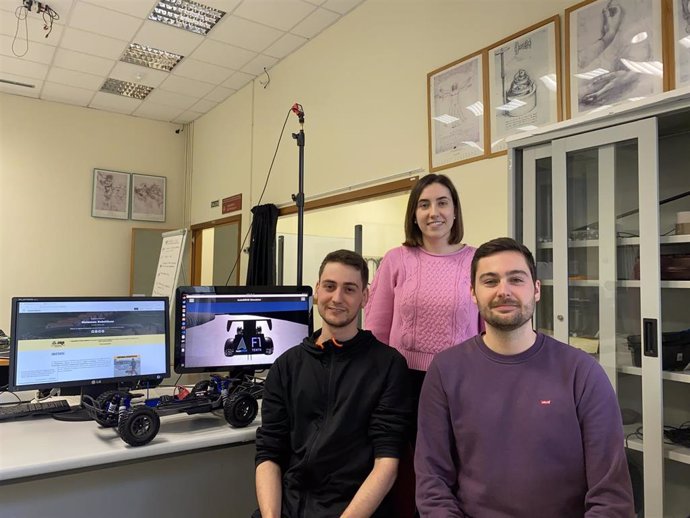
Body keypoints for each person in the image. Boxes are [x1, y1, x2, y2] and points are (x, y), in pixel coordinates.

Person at [415, 237, 634, 517]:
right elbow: (432, 482)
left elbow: (612, 498)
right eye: (490, 281)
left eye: (516, 279)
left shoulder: (582, 373)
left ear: (537, 290)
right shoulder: (445, 370)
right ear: (473, 293)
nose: (503, 291)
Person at [254, 249, 412, 518]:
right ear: (317, 290)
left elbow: (387, 463)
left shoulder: (388, 366)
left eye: (349, 289)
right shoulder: (286, 366)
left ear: (365, 297)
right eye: (329, 286)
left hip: (355, 509)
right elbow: (269, 453)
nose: (337, 298)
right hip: (291, 507)